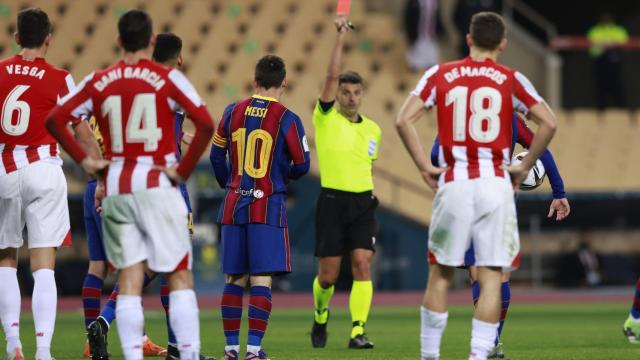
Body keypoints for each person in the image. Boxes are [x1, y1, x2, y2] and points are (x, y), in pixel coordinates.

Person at [46, 9, 215, 360]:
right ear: (151, 41)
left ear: (119, 41)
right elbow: (205, 124)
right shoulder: (168, 78)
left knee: (129, 281)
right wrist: (182, 170)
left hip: (118, 187)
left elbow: (56, 119)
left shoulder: (100, 80)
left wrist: (86, 162)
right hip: (158, 183)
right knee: (180, 275)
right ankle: (188, 352)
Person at [395, 11, 557, 360]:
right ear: (503, 43)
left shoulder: (440, 74)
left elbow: (402, 119)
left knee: (440, 275)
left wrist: (425, 166)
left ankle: (430, 356)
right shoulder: (511, 79)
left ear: (468, 40)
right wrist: (524, 166)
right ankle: (479, 355)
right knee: (492, 276)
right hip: (494, 183)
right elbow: (549, 122)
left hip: (454, 180)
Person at [0, 8, 100, 360]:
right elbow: (81, 129)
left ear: (16, 38)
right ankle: (43, 350)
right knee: (44, 263)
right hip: (43, 166)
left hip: (4, 166)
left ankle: (14, 346)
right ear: (48, 39)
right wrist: (98, 172)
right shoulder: (59, 78)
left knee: (6, 259)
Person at [430, 112, 571, 358]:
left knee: (477, 275)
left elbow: (434, 154)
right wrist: (558, 191)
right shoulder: (510, 118)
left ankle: (480, 345)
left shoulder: (459, 116)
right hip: (498, 199)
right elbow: (542, 148)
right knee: (498, 276)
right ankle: (489, 343)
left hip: (463, 197)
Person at [210, 54, 310, 360]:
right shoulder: (288, 118)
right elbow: (303, 164)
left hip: (232, 204)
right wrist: (280, 176)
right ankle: (253, 350)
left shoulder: (231, 111)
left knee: (233, 278)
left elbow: (216, 156)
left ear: (254, 81)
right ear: (284, 83)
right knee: (261, 278)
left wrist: (231, 184)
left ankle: (230, 349)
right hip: (266, 205)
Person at [309, 15, 382, 351]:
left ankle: (357, 330)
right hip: (332, 202)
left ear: (362, 95)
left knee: (363, 264)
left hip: (363, 201)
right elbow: (330, 75)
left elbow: (368, 163)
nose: (352, 97)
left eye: (356, 92)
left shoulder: (373, 130)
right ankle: (321, 314)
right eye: (346, 92)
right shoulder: (324, 119)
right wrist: (339, 38)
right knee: (328, 277)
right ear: (337, 94)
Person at [587, 13, 628, 109]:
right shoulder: (594, 30)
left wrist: (607, 46)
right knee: (601, 88)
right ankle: (601, 110)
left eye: (608, 17)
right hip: (600, 62)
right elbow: (592, 49)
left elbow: (624, 44)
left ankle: (621, 109)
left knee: (617, 87)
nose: (606, 19)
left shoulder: (619, 30)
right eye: (604, 17)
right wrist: (607, 46)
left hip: (615, 62)